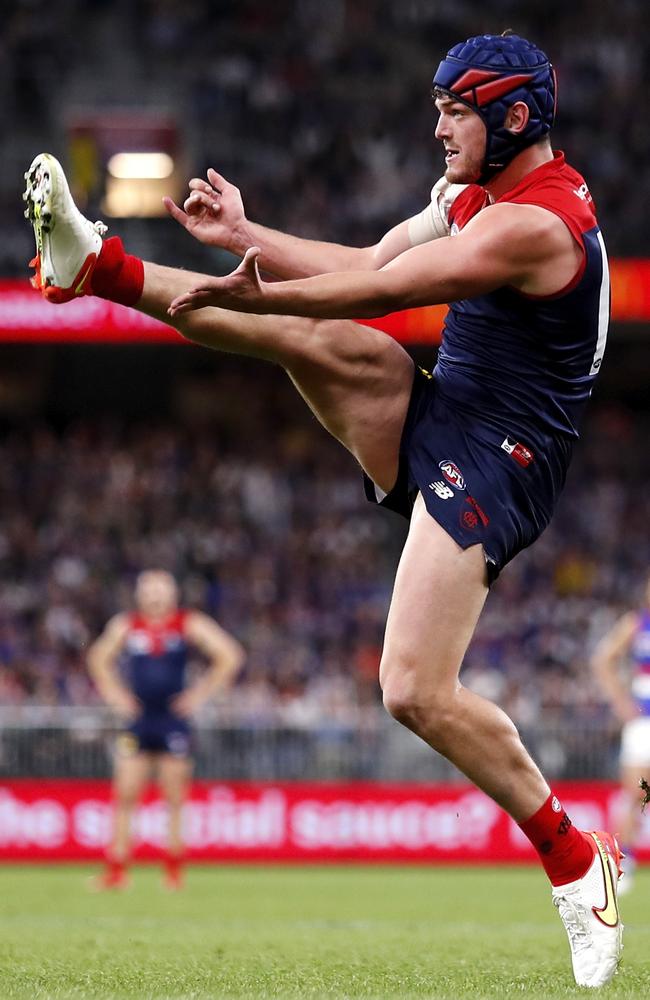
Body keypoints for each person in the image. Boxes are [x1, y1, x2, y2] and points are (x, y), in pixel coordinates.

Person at [25, 31, 621, 986]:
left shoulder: (533, 224)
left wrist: (253, 295)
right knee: (303, 335)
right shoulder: (477, 197)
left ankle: (573, 855)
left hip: (503, 458)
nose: (437, 129)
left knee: (413, 691)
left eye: (455, 111)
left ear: (515, 116)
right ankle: (96, 267)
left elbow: (383, 292)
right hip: (443, 405)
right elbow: (370, 255)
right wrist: (245, 240)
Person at [86, 569, 244, 889]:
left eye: (161, 588)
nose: (155, 595)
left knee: (174, 797)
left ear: (173, 593)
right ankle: (117, 870)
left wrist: (200, 695)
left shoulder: (187, 623)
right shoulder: (127, 625)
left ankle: (173, 871)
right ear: (139, 594)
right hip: (139, 720)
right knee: (125, 793)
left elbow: (230, 655)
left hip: (173, 721)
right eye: (149, 588)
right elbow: (97, 658)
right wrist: (115, 695)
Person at [591, 573, 650, 894]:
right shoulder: (636, 624)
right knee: (636, 794)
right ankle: (623, 863)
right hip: (644, 721)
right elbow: (603, 659)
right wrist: (620, 702)